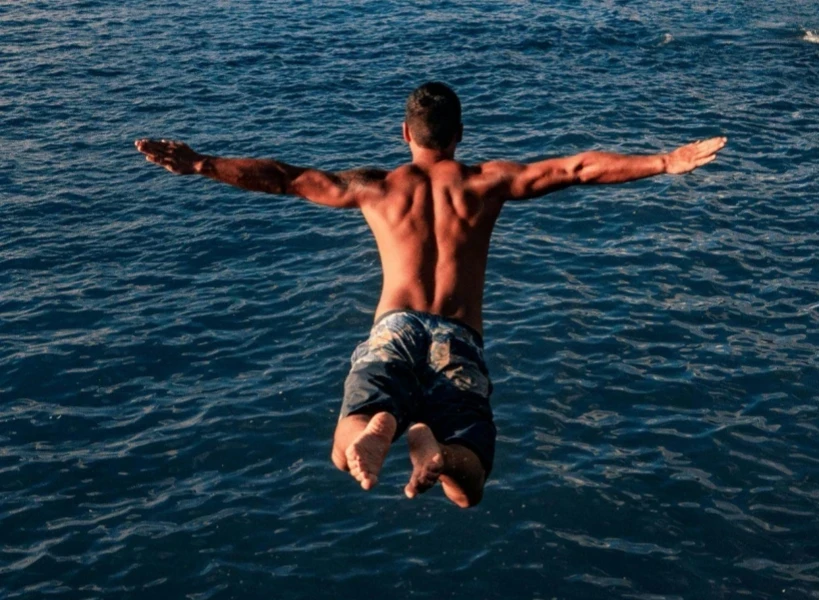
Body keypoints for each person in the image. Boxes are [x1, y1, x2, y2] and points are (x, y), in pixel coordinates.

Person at [136, 82, 726, 508]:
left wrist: (201, 164)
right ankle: (436, 451)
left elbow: (285, 177)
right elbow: (574, 169)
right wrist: (662, 162)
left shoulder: (376, 189)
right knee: (467, 489)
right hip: (458, 338)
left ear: (405, 134)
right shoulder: (485, 183)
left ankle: (389, 420)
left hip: (393, 328)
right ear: (460, 135)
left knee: (345, 453)